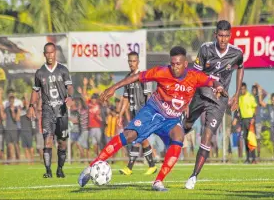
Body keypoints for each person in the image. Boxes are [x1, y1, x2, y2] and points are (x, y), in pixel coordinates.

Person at [78, 46, 227, 191]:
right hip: (153, 111)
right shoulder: (161, 72)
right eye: (173, 64)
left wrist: (218, 87)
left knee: (179, 137)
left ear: (185, 64)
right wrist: (113, 87)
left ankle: (158, 181)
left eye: (178, 64)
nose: (175, 67)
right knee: (129, 135)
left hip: (171, 120)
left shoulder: (194, 76)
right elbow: (137, 76)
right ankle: (92, 166)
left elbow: (212, 81)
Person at [182, 20, 244, 189]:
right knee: (185, 125)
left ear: (230, 36)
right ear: (215, 34)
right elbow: (194, 74)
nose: (223, 39)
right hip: (201, 94)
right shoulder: (205, 49)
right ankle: (173, 143)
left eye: (226, 36)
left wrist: (236, 95)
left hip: (219, 101)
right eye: (220, 35)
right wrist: (187, 99)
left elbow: (240, 68)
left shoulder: (237, 53)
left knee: (207, 136)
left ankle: (193, 176)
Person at [27, 42, 74, 178]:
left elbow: (69, 86)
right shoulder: (40, 72)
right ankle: (48, 171)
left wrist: (70, 96)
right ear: (44, 54)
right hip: (47, 111)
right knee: (47, 140)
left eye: (52, 52)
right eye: (47, 53)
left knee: (62, 142)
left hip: (62, 111)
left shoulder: (63, 70)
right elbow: (35, 91)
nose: (50, 55)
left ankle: (60, 169)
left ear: (55, 53)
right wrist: (31, 106)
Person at [118, 51, 157, 176]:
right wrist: (120, 114)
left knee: (135, 138)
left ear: (138, 62)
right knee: (142, 139)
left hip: (143, 113)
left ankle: (129, 167)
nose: (131, 63)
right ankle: (152, 165)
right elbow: (125, 98)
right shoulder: (127, 78)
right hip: (134, 113)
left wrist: (149, 113)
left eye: (134, 61)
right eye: (130, 61)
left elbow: (149, 96)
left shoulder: (143, 77)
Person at [238, 82, 256, 163]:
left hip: (250, 120)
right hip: (243, 120)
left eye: (243, 89)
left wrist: (253, 118)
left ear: (246, 89)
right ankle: (248, 158)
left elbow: (255, 107)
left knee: (251, 139)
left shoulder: (250, 97)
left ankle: (254, 158)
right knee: (245, 140)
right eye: (241, 89)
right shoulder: (240, 98)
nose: (242, 90)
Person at [252, 83, 267, 159]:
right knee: (251, 139)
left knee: (258, 139)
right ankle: (252, 156)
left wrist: (259, 86)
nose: (254, 91)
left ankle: (258, 155)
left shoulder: (258, 98)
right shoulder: (250, 98)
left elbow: (265, 93)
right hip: (251, 122)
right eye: (253, 90)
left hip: (258, 121)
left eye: (255, 90)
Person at [20, 96, 34, 163]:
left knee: (30, 147)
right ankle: (28, 162)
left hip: (28, 130)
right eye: (23, 100)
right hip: (22, 131)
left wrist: (26, 98)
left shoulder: (30, 109)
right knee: (25, 147)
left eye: (25, 100)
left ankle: (32, 161)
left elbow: (29, 115)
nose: (24, 102)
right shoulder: (20, 109)